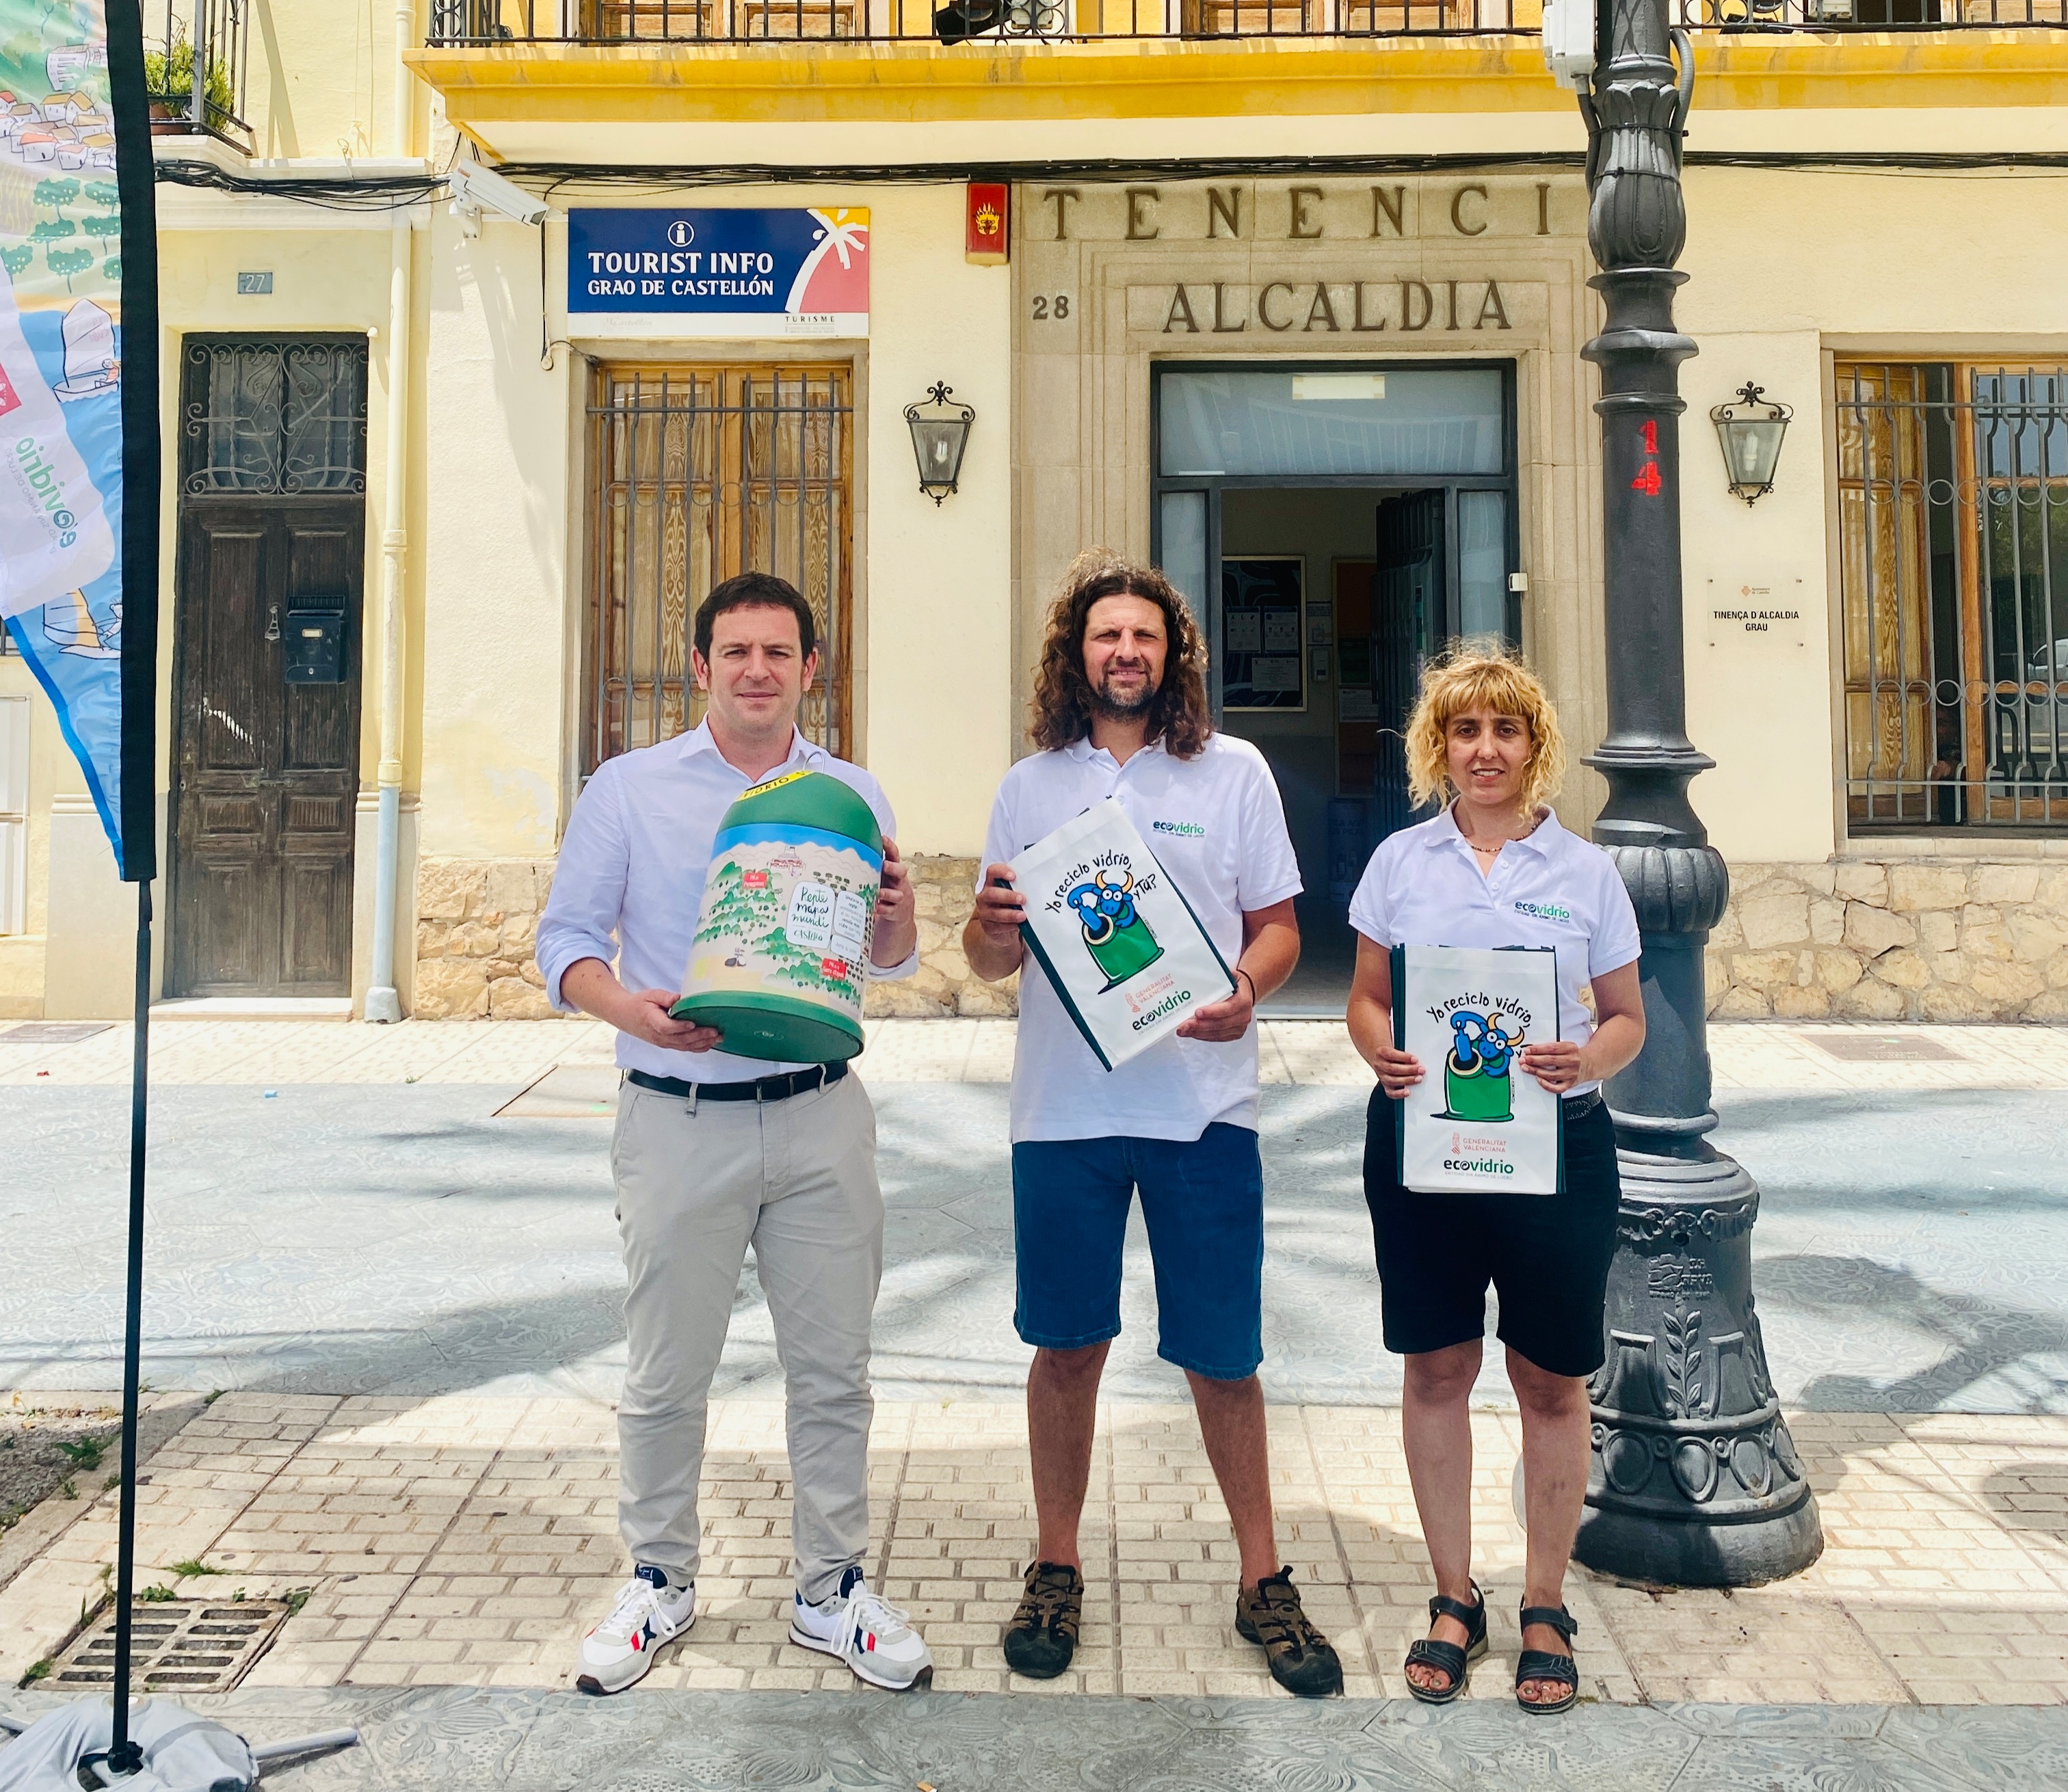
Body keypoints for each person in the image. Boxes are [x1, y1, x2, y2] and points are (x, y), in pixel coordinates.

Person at [535, 571, 934, 1696]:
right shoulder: (629, 788)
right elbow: (564, 939)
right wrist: (633, 1011)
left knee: (834, 1372)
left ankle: (831, 1590)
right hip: (679, 1118)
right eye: (735, 651)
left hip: (821, 1114)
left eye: (779, 651)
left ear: (812, 670)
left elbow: (882, 957)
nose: (757, 669)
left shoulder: (851, 794)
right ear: (700, 666)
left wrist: (899, 924)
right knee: (666, 1373)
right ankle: (659, 1576)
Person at [963, 549, 1344, 1698]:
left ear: (1173, 651)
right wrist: (985, 923)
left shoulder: (1233, 774)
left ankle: (1262, 1579)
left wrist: (1248, 989)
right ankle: (1058, 1563)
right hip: (1063, 1113)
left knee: (1225, 1358)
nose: (1124, 652)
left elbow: (1277, 925)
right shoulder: (1030, 786)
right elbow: (989, 960)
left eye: (1143, 635)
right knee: (1065, 1346)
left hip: (1202, 1111)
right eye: (1103, 636)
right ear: (1073, 659)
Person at [1343, 642, 1645, 1717]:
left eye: (1504, 730)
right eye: (1465, 730)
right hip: (1423, 1151)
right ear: (1439, 745)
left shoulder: (1587, 872)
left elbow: (1626, 1018)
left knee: (1551, 1381)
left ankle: (1547, 1603)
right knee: (1436, 1371)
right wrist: (1378, 1050)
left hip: (1557, 1153)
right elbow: (1369, 997)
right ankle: (1450, 1596)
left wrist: (1587, 1060)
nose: (1484, 749)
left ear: (1534, 747)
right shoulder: (1400, 864)